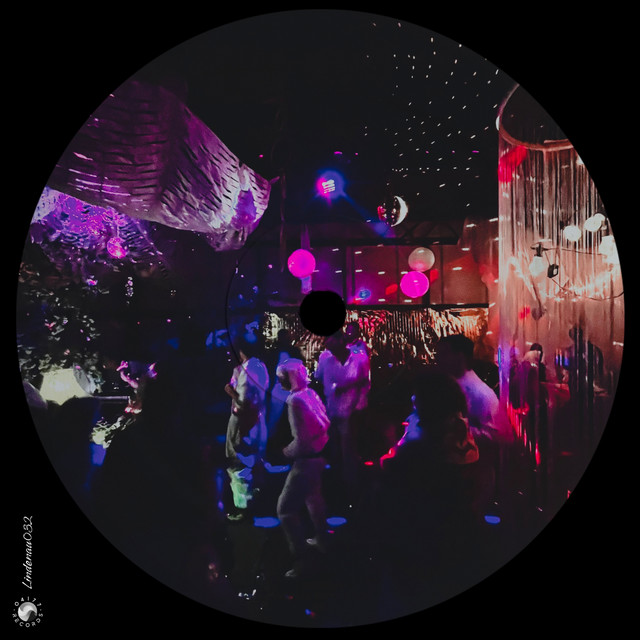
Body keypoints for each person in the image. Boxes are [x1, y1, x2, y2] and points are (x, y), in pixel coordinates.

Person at [373, 369, 494, 615]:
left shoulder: (423, 446)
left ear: (430, 402)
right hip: (460, 540)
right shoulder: (460, 431)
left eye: (417, 395)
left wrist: (390, 455)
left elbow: (395, 487)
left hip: (422, 543)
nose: (412, 399)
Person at [275, 358, 331, 578]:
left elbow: (301, 441)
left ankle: (302, 561)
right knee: (314, 498)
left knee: (285, 510)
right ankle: (323, 540)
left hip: (306, 461)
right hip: (319, 457)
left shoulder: (294, 401)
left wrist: (284, 452)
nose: (279, 381)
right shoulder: (310, 393)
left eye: (281, 378)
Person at [314, 329, 369, 505]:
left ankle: (352, 492)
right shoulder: (325, 358)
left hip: (351, 410)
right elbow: (318, 377)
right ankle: (336, 490)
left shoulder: (359, 357)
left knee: (348, 450)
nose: (326, 343)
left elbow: (365, 383)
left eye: (330, 340)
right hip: (332, 410)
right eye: (326, 340)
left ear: (340, 340)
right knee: (334, 449)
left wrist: (353, 398)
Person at [224, 336, 270, 521]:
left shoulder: (247, 368)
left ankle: (243, 509)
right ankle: (256, 505)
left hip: (244, 422)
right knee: (254, 462)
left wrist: (230, 391)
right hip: (257, 421)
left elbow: (243, 402)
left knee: (239, 464)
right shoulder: (260, 365)